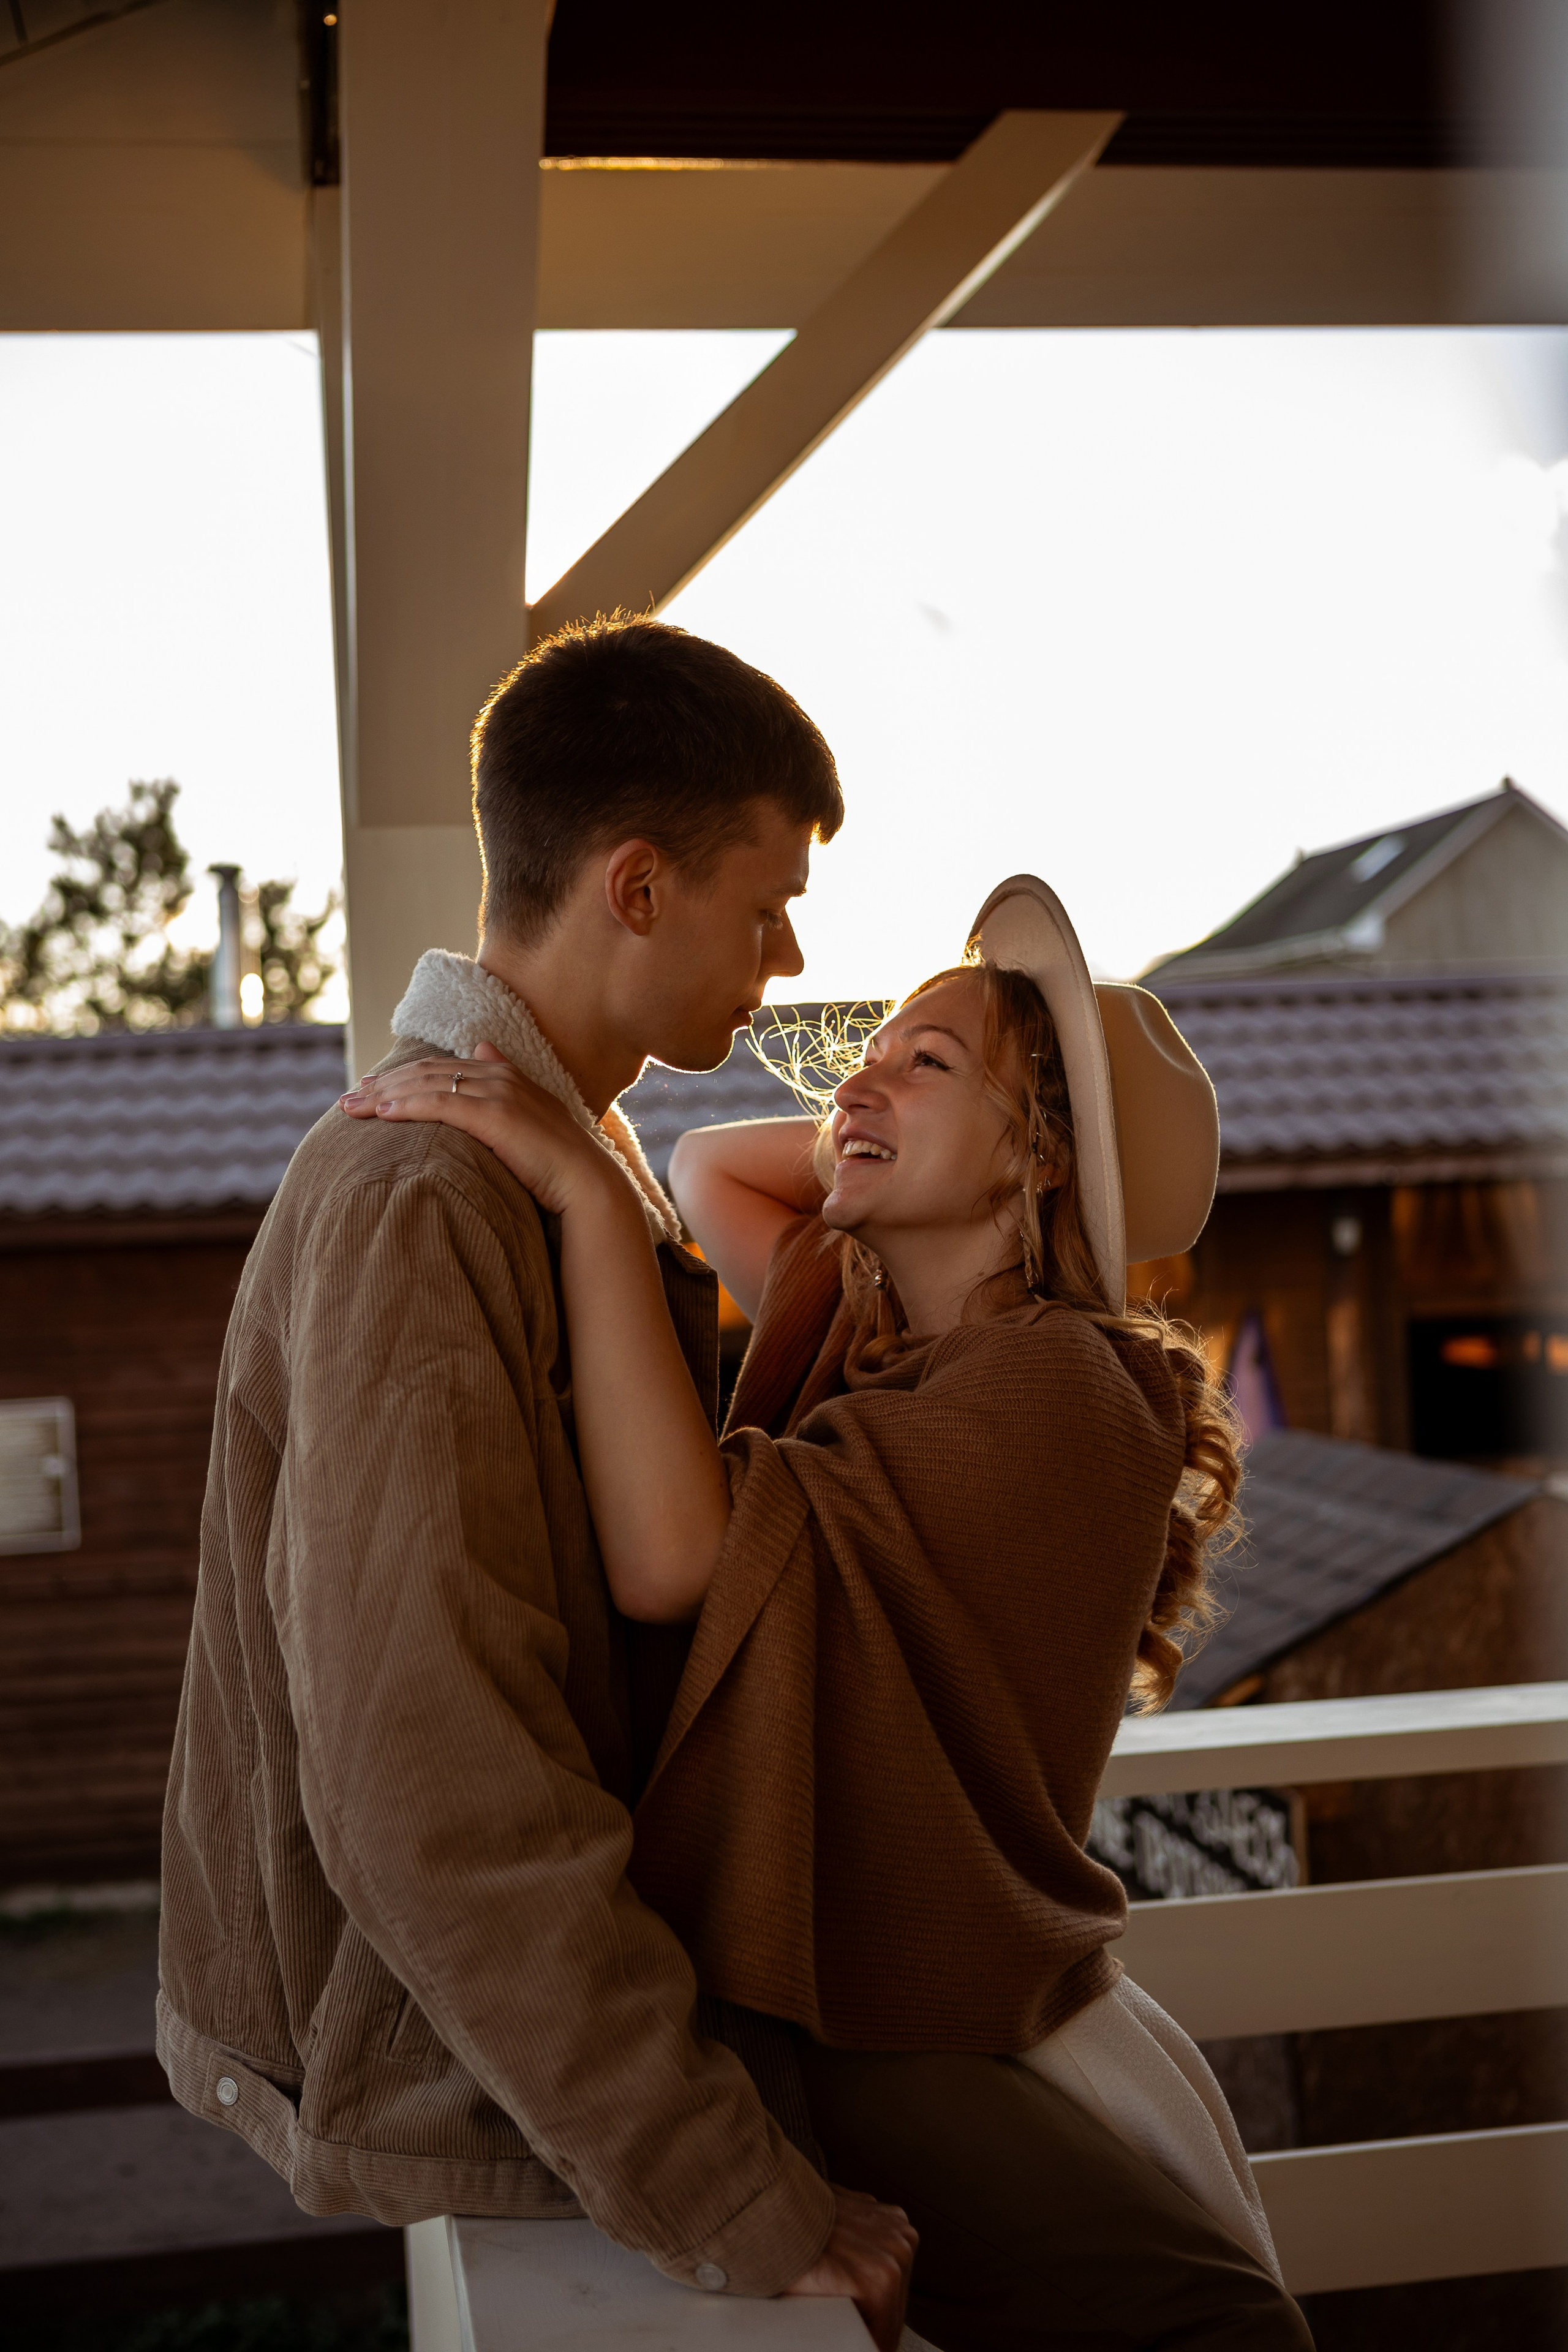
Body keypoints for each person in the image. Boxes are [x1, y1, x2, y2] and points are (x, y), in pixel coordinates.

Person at [347, 873, 1317, 2351]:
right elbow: (710, 1165)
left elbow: (672, 1563)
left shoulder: (1062, 1384)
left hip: (906, 1998)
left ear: (1039, 1151)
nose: (852, 1080)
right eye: (865, 1051)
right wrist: (896, 1117)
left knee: (1221, 2328)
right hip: (840, 1974)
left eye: (925, 1061)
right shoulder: (872, 1329)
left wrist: (578, 1187)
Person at [157, 618, 915, 2349]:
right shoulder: (421, 1203)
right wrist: (725, 2189)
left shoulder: (570, 1152)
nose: (790, 958)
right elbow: (435, 1777)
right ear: (636, 888)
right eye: (766, 904)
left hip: (542, 2049)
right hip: (458, 2072)